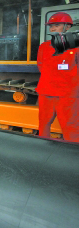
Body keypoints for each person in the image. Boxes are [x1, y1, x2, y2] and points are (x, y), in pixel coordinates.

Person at [36, 12, 79, 142]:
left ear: (67, 27)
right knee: (43, 125)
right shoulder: (44, 47)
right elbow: (41, 66)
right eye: (51, 26)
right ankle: (42, 153)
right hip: (46, 92)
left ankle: (72, 157)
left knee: (71, 128)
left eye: (57, 25)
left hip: (67, 95)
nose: (52, 29)